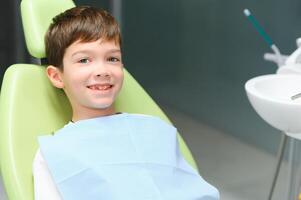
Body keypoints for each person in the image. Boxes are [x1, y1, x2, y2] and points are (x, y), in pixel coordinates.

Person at [33, 5, 220, 200]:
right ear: (56, 76)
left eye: (112, 58)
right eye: (84, 60)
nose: (102, 70)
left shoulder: (156, 130)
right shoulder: (53, 154)